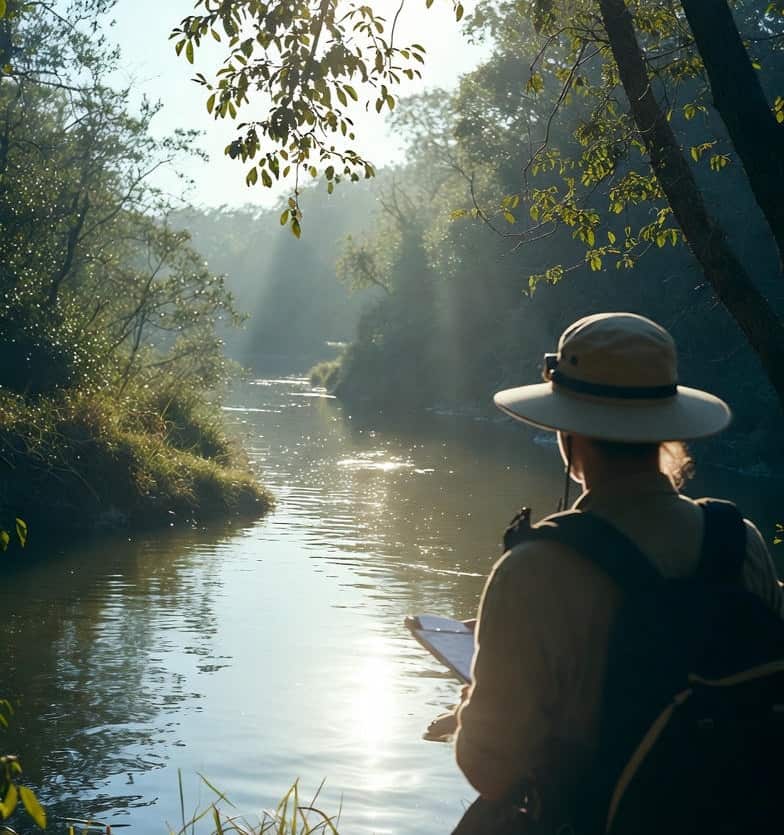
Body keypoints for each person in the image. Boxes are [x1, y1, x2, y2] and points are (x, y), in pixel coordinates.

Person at [452, 312, 783, 829]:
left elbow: (490, 768)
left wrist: (477, 683)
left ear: (567, 434)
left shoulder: (531, 573)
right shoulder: (741, 543)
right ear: (667, 428)